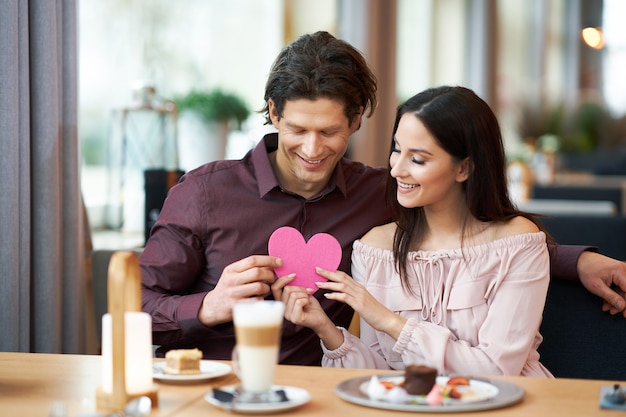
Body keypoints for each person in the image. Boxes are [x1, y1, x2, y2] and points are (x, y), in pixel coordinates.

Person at [140, 31, 626, 366]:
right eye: (297, 129)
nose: (312, 150)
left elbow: (469, 232)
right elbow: (137, 310)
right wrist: (207, 306)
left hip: (327, 394)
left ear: (356, 121)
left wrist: (572, 261)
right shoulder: (205, 191)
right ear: (273, 113)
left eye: (329, 131)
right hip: (220, 390)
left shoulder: (383, 194)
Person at [273, 86, 553, 376]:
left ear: (464, 169)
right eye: (396, 149)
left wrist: (389, 320)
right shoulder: (376, 250)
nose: (396, 170)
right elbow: (383, 374)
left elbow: (496, 370)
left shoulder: (516, 242)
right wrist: (326, 329)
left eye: (417, 159)